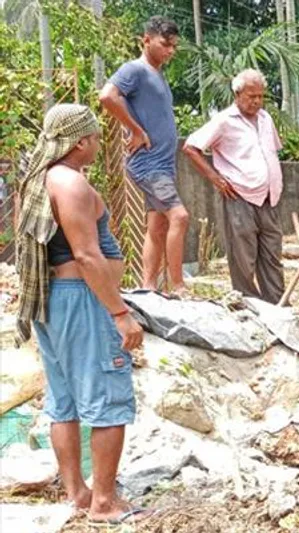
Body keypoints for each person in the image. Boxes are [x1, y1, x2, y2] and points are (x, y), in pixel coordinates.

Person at [15, 104, 146, 524]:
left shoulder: (39, 179)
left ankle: (78, 493)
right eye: (93, 136)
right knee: (107, 396)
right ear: (79, 142)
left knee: (64, 400)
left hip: (52, 300)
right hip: (80, 299)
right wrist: (120, 312)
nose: (97, 142)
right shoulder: (70, 184)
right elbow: (88, 256)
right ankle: (104, 502)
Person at [99, 16, 187, 294]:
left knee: (158, 224)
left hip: (163, 164)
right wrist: (135, 130)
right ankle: (178, 286)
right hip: (149, 165)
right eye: (165, 44)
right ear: (146, 40)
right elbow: (107, 96)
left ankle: (148, 287)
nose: (170, 51)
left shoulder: (157, 73)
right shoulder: (134, 70)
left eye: (174, 46)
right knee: (180, 217)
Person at [183, 69, 284, 304]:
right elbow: (191, 147)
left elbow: (271, 152)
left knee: (271, 254)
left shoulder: (265, 119)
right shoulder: (224, 120)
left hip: (269, 197)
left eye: (260, 96)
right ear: (237, 94)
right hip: (239, 196)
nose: (257, 101)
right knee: (243, 256)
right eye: (251, 96)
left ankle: (276, 304)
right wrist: (215, 178)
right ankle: (248, 303)